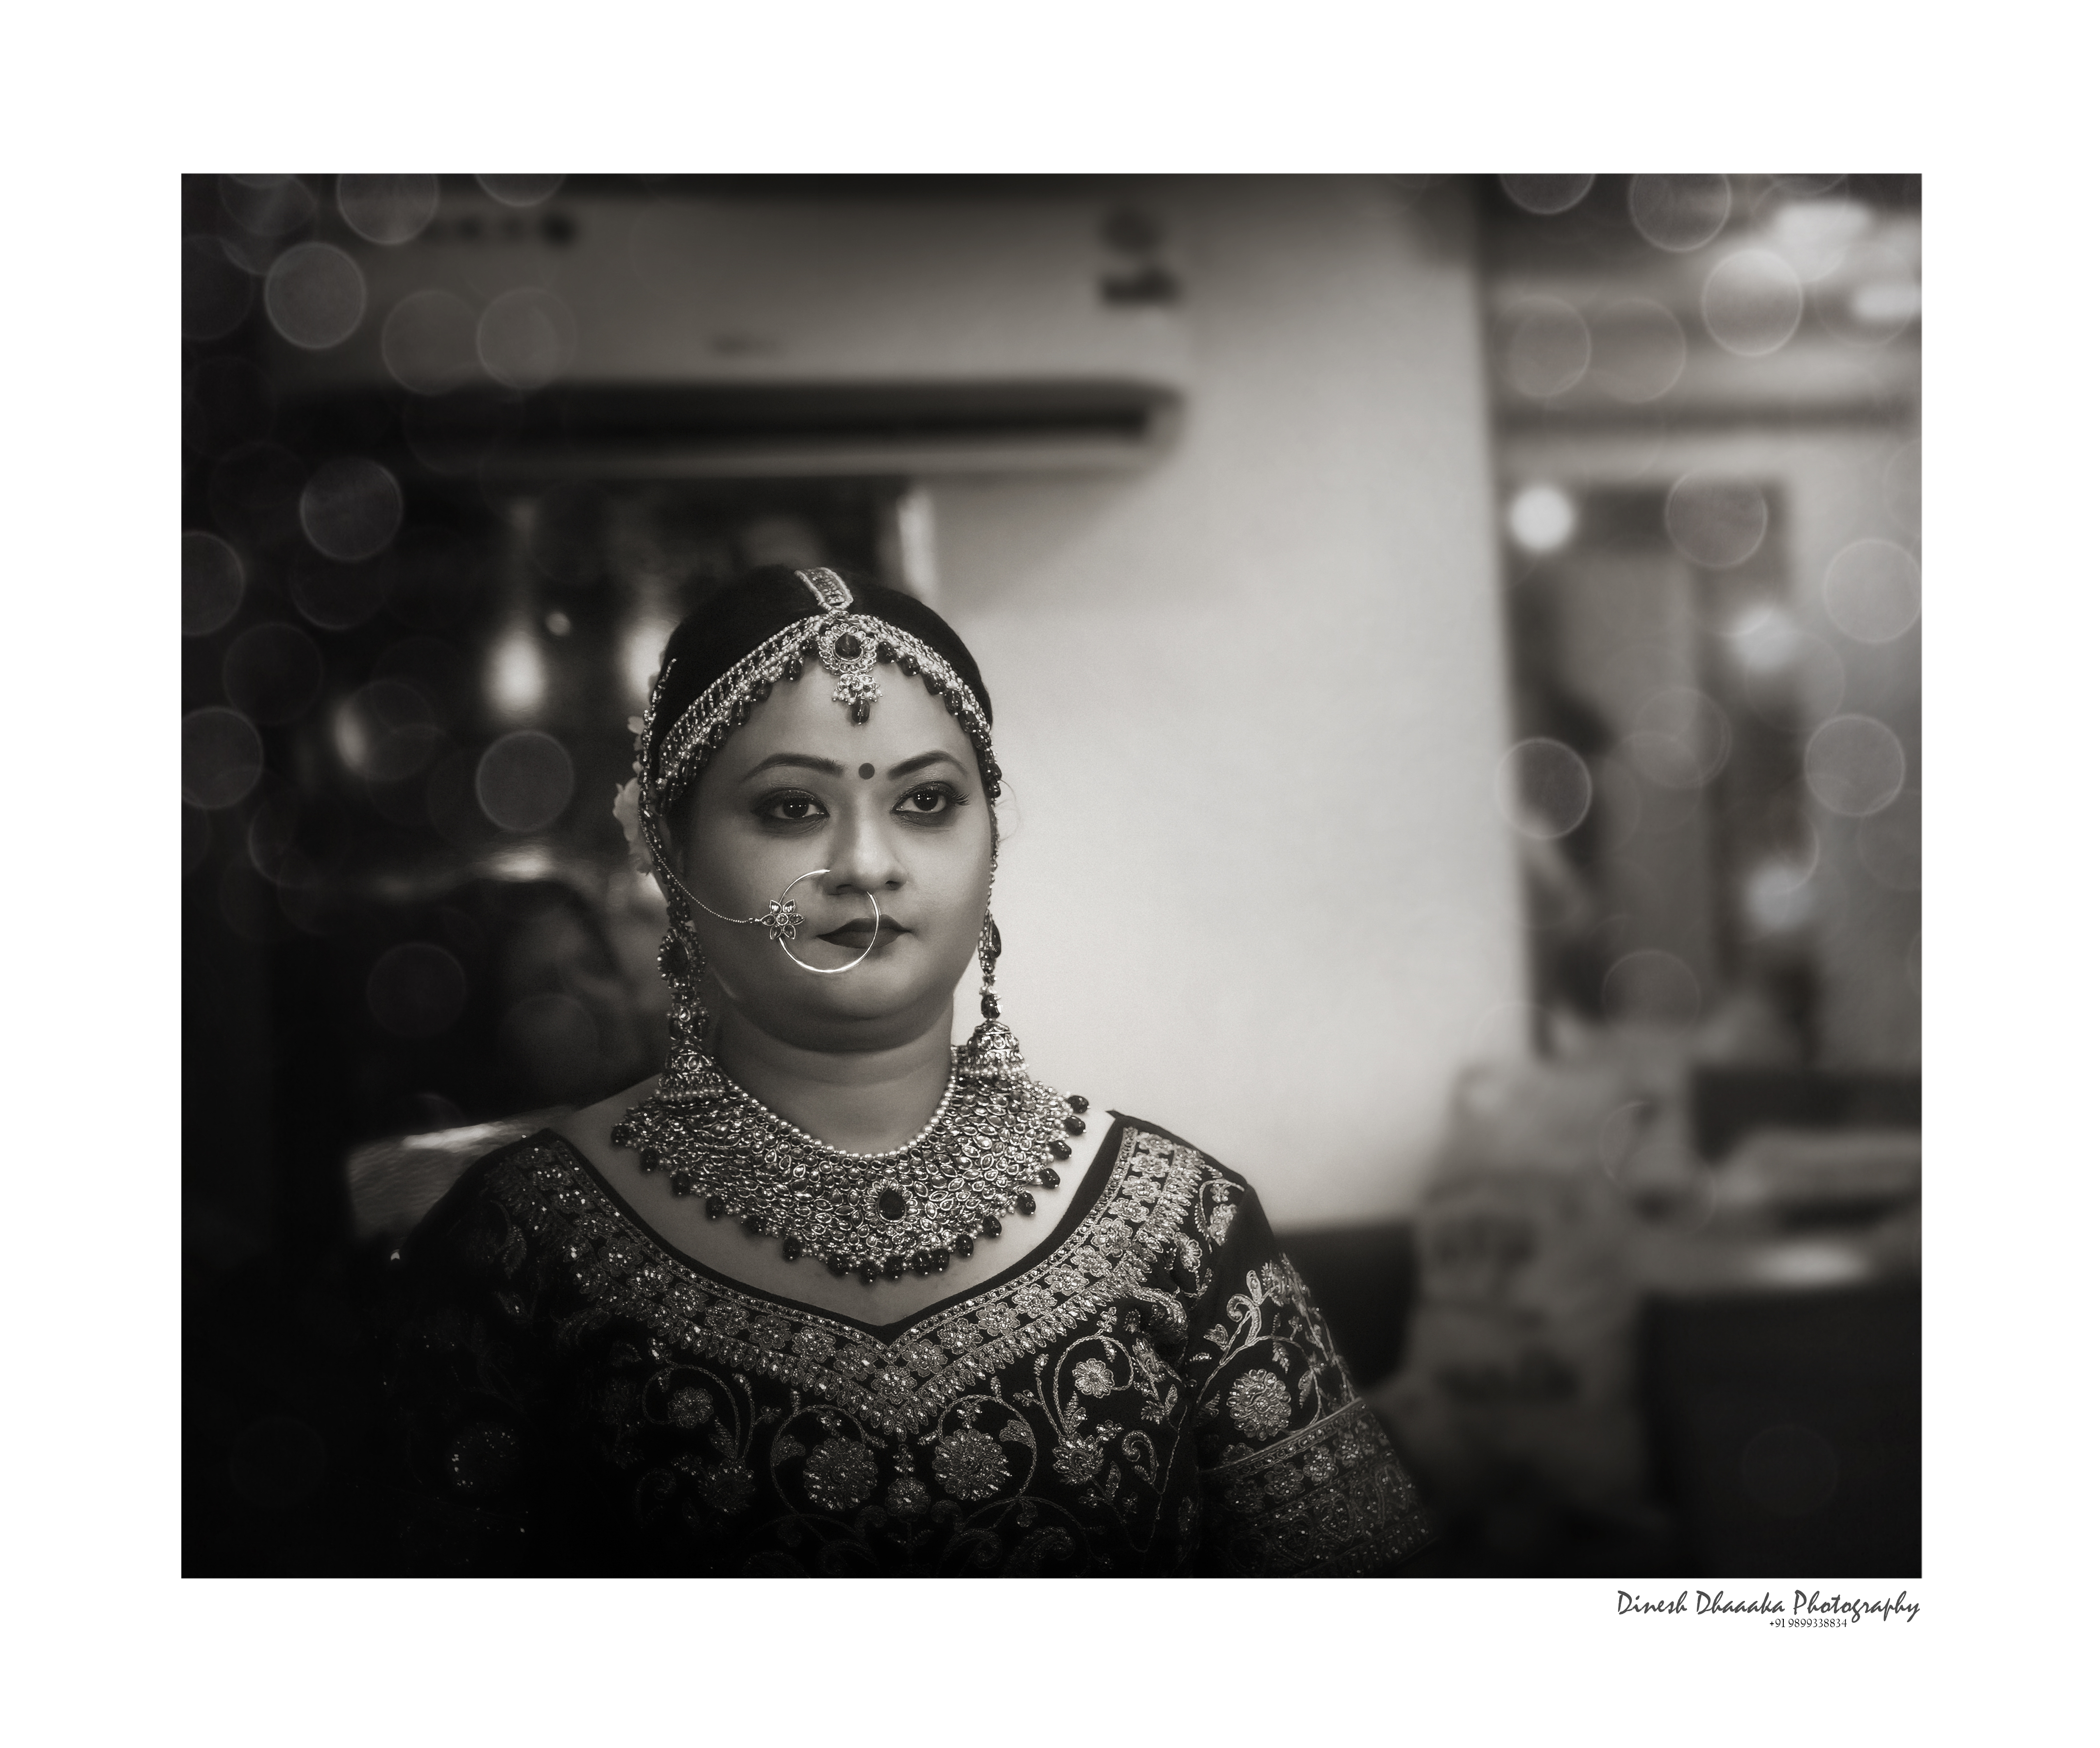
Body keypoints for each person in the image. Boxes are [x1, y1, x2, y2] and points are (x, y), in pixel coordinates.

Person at [378, 565, 1436, 1576]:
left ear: (990, 841)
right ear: (669, 846)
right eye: (791, 807)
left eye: (926, 802)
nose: (868, 864)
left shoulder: (1179, 1225)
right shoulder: (526, 1243)